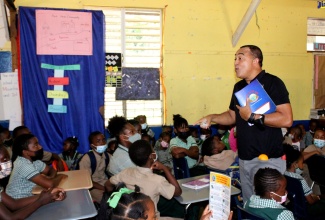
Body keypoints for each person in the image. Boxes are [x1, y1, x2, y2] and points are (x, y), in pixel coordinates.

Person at [196, 45, 293, 202]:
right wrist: (212, 117)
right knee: (250, 206)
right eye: (235, 58)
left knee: (266, 209)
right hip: (244, 159)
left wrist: (254, 117)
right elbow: (232, 116)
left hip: (267, 161)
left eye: (240, 58)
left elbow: (286, 119)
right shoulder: (239, 87)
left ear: (256, 61)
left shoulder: (272, 83)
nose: (235, 62)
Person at [105, 140, 184, 219]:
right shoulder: (158, 180)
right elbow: (178, 192)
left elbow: (107, 184)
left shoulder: (125, 172)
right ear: (151, 156)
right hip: (151, 216)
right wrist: (164, 168)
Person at [6, 134, 67, 199]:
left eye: (38, 144)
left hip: (29, 197)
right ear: (26, 152)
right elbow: (50, 184)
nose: (40, 147)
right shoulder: (23, 164)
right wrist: (60, 176)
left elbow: (51, 170)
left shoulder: (35, 161)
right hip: (17, 201)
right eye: (35, 145)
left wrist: (51, 177)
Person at [284, 145, 325, 216]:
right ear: (295, 164)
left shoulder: (284, 174)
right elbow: (311, 201)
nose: (303, 166)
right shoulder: (299, 179)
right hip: (304, 209)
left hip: (292, 206)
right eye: (302, 163)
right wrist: (318, 197)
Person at [78, 131, 109, 203]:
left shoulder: (107, 155)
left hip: (105, 183)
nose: (102, 142)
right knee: (107, 201)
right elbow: (86, 181)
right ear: (92, 145)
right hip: (93, 187)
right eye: (98, 141)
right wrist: (104, 188)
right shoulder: (87, 159)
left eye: (103, 139)